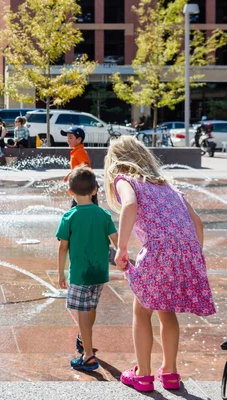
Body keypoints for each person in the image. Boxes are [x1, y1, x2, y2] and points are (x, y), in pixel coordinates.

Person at [104, 136, 215, 392]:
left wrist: (121, 248)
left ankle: (143, 374)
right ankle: (170, 372)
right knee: (167, 311)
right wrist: (191, 255)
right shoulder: (167, 185)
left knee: (142, 311)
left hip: (158, 251)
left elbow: (129, 205)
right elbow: (197, 222)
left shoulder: (125, 179)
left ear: (116, 161)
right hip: (186, 251)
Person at [56, 166, 118, 372]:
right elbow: (118, 242)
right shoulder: (103, 214)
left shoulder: (69, 216)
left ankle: (89, 356)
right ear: (95, 190)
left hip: (80, 273)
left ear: (70, 192)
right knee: (91, 307)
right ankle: (83, 339)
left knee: (82, 311)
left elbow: (62, 247)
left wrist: (61, 273)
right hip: (99, 272)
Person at [61, 126, 96, 205]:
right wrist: (70, 175)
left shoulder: (80, 152)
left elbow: (85, 166)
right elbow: (79, 167)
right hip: (83, 185)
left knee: (79, 206)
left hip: (83, 186)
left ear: (79, 139)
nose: (68, 140)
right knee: (87, 206)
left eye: (70, 138)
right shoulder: (77, 151)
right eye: (67, 138)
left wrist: (74, 176)